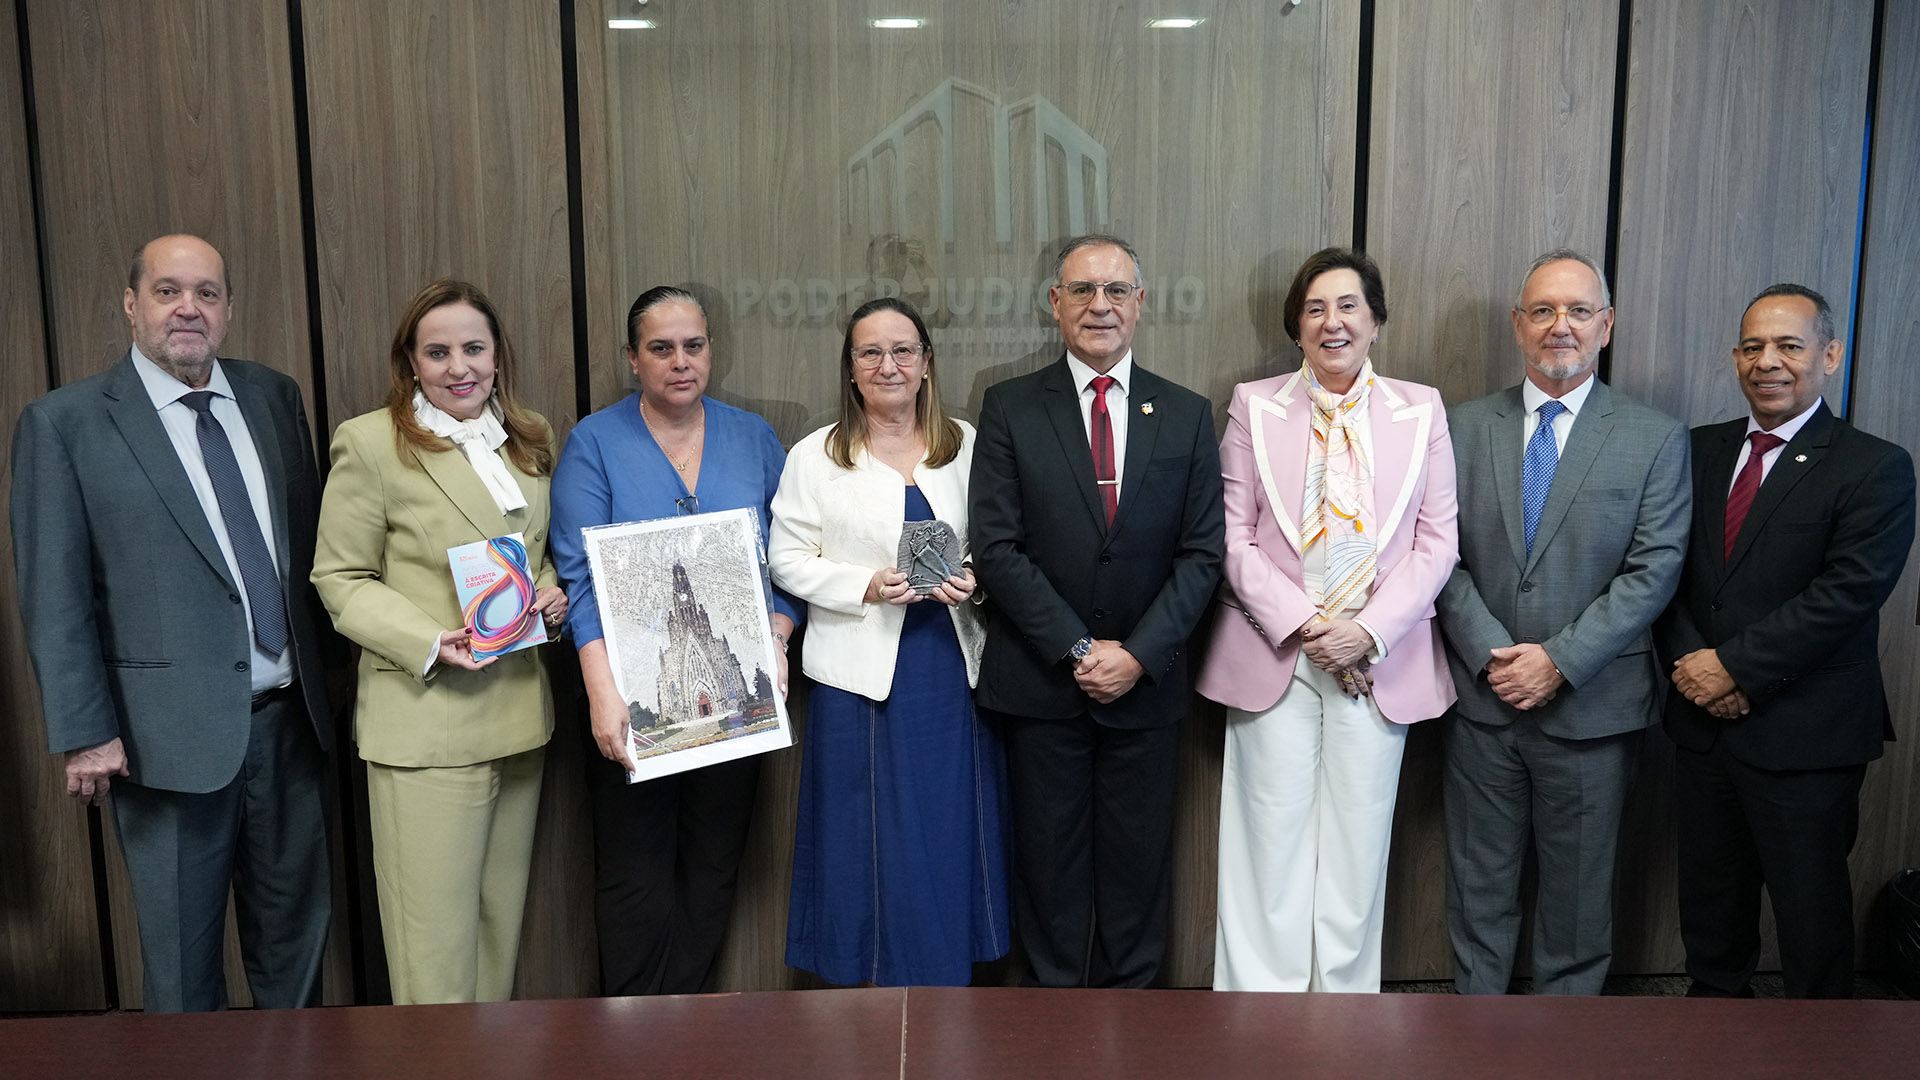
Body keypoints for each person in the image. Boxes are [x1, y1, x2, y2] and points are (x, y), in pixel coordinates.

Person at [10, 233, 333, 1012]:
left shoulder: (273, 396)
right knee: (183, 979)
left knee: (297, 959)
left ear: (227, 310)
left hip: (292, 729)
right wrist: (86, 728)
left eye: (207, 293)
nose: (188, 308)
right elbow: (54, 594)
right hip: (163, 744)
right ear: (131, 304)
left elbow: (313, 554)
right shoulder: (66, 424)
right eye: (167, 291)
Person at [1195, 248, 1458, 992]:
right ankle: (1255, 1019)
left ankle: (1345, 1022)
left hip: (1379, 662)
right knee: (1265, 844)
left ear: (1375, 319)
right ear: (1296, 326)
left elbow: (1439, 541)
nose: (1331, 321)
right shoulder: (1255, 403)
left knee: (1357, 847)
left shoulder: (1422, 408)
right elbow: (1230, 534)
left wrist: (1365, 632)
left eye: (1348, 306)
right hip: (1275, 652)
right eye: (1315, 308)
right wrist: (1311, 629)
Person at [969, 234, 1225, 988]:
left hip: (1145, 690)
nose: (1100, 306)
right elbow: (998, 546)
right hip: (1044, 687)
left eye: (1116, 290)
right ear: (1055, 305)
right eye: (1082, 290)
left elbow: (1202, 554)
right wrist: (1080, 650)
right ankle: (1048, 1040)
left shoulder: (1185, 413)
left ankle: (1133, 1035)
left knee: (1138, 877)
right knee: (1046, 875)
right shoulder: (1010, 406)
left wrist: (1138, 654)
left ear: (1141, 304)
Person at [1435, 249, 1690, 995]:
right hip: (1482, 705)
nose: (1560, 327)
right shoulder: (1458, 427)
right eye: (1542, 310)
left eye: (1579, 311)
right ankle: (1474, 1041)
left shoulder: (1654, 436)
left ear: (1605, 325)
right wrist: (1491, 653)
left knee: (1577, 911)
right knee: (1477, 892)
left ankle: (1562, 1055)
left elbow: (1655, 570)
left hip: (1591, 708)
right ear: (1518, 325)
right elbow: (1433, 555)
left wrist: (1557, 661)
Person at [311, 279, 566, 1004]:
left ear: (497, 356)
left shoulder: (528, 438)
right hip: (426, 722)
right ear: (411, 364)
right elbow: (340, 576)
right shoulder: (370, 443)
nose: (460, 367)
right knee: (434, 956)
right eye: (439, 352)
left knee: (495, 937)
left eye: (474, 348)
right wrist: (428, 640)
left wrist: (552, 595)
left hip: (517, 718)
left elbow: (535, 553)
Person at [1663, 284, 1915, 998]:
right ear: (1735, 357)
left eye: (1789, 346)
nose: (1767, 362)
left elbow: (1847, 594)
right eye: (1752, 346)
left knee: (1812, 925)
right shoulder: (1694, 452)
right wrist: (1693, 669)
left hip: (1806, 734)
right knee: (1710, 913)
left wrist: (1733, 669)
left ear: (1829, 355)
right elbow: (1663, 572)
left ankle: (1824, 1058)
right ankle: (1712, 1037)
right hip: (1702, 728)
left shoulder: (1875, 465)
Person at [550, 285, 800, 996]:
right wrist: (601, 695)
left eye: (693, 345)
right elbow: (579, 577)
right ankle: (631, 1046)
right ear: (634, 359)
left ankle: (686, 1038)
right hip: (632, 700)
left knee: (713, 869)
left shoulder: (753, 436)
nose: (680, 362)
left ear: (710, 350)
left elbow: (790, 558)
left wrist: (777, 639)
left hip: (736, 698)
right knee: (635, 875)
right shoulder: (594, 442)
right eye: (661, 348)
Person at [770, 296, 1011, 986]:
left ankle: (942, 971)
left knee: (943, 830)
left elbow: (1001, 545)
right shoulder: (814, 456)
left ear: (927, 363)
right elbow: (787, 560)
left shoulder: (967, 445)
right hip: (859, 675)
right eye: (870, 352)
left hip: (951, 668)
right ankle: (862, 983)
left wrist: (977, 579)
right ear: (850, 370)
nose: (889, 365)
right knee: (863, 837)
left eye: (904, 350)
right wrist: (865, 586)